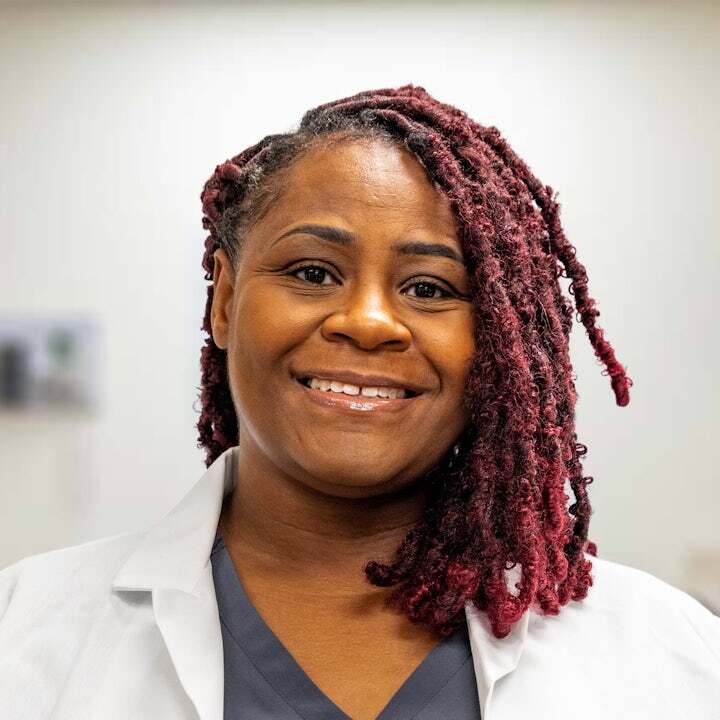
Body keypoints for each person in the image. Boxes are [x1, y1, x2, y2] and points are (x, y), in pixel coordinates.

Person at [0, 85, 718, 720]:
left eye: (430, 288)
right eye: (313, 273)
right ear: (224, 300)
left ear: (500, 340)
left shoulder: (672, 654)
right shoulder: (24, 631)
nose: (368, 322)